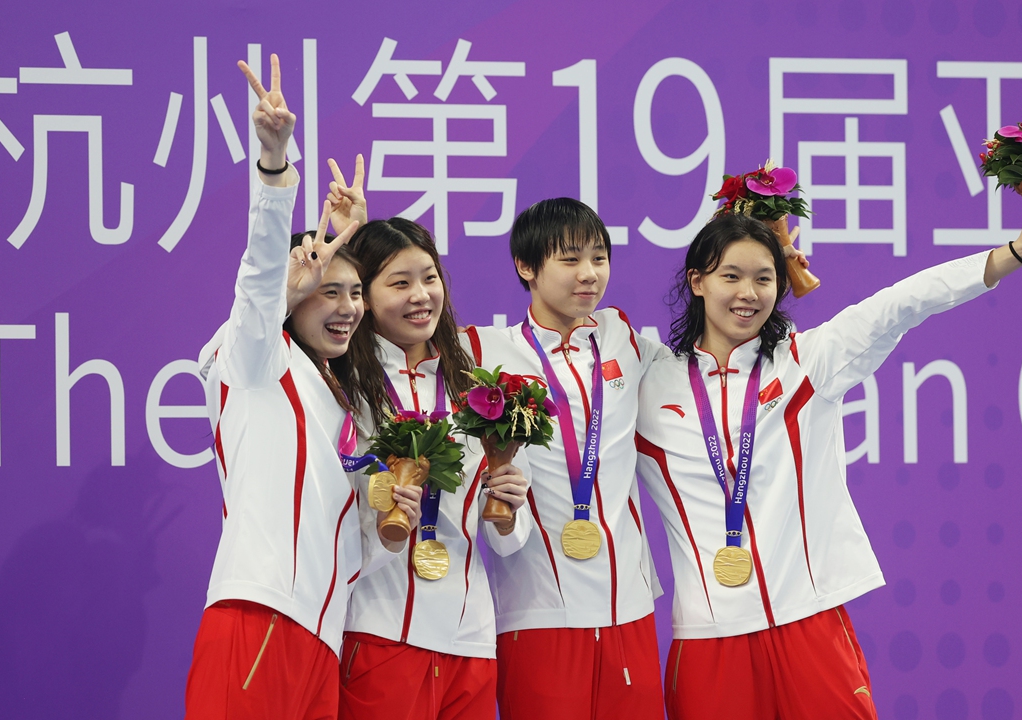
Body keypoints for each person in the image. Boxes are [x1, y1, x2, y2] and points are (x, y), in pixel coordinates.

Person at [635, 192, 1022, 719]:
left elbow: (903, 302)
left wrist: (1013, 253)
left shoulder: (809, 361)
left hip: (809, 626)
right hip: (709, 640)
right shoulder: (648, 380)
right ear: (697, 282)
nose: (748, 293)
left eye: (764, 278)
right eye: (730, 276)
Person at [183, 54, 392, 719]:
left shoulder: (345, 400)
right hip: (257, 618)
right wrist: (275, 168)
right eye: (327, 291)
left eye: (356, 294)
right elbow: (259, 276)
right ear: (293, 296)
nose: (349, 307)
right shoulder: (253, 364)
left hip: (322, 641)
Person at [322, 158, 532, 720]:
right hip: (379, 630)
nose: (421, 296)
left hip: (468, 636)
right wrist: (340, 241)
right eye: (399, 283)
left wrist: (510, 511)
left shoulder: (474, 387)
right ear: (360, 295)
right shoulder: (341, 385)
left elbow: (507, 538)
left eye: (429, 277)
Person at [463, 198, 668, 720]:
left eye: (599, 258)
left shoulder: (626, 340)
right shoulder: (482, 354)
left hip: (629, 615)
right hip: (537, 615)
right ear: (526, 267)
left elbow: (710, 358)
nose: (590, 274)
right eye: (571, 259)